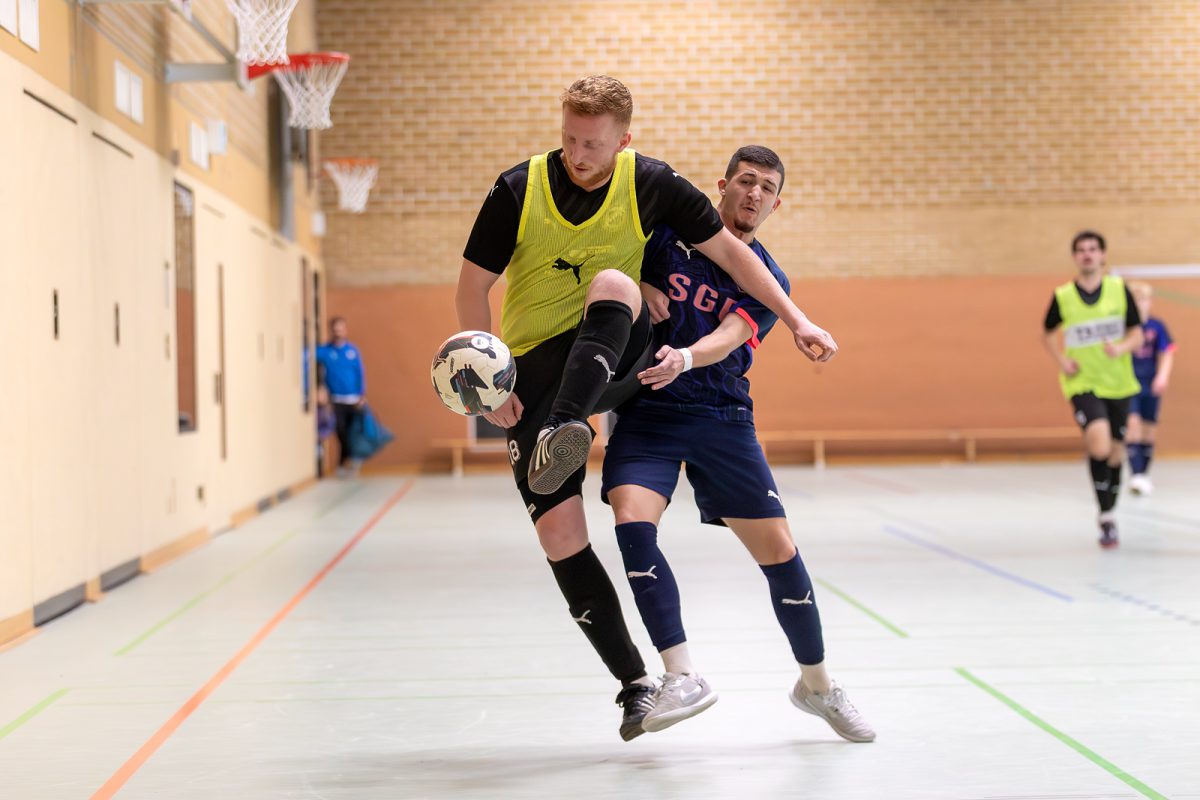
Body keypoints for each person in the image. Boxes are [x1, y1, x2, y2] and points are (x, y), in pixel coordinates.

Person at [455, 76, 838, 741]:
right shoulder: (516, 188)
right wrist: (487, 383)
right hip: (534, 369)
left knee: (614, 281)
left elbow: (736, 257)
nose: (579, 154)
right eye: (570, 139)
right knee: (560, 536)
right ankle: (636, 684)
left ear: (623, 140)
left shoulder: (653, 182)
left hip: (615, 356)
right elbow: (471, 288)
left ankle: (568, 426)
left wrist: (800, 319)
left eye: (593, 144)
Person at [601, 146, 875, 743]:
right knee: (631, 522)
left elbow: (730, 336)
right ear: (721, 186)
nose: (754, 193)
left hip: (719, 414)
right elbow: (610, 269)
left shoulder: (769, 279)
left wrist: (686, 357)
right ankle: (681, 675)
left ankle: (818, 687)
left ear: (777, 203)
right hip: (647, 410)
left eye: (767, 188)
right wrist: (640, 283)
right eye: (746, 181)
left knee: (779, 550)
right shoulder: (665, 236)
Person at [1042, 231, 1143, 548]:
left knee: (1115, 453)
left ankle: (1108, 512)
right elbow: (1047, 333)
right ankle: (1106, 516)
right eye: (1081, 250)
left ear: (1103, 255)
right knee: (1099, 445)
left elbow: (1137, 333)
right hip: (1083, 383)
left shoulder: (1118, 290)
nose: (1087, 254)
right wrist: (1062, 360)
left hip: (1118, 382)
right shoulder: (1063, 296)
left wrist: (1121, 348)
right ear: (1075, 257)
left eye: (1093, 249)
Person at [1125, 281, 1176, 495]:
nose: (1139, 304)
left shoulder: (1157, 326)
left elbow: (1167, 352)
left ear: (1149, 302)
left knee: (1149, 429)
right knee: (1133, 424)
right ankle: (1136, 474)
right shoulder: (1124, 326)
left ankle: (1144, 474)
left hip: (1150, 382)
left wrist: (1162, 376)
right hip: (1129, 383)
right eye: (1135, 300)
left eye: (1143, 299)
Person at [316, 316, 367, 477]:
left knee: (352, 433)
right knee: (341, 433)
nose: (338, 332)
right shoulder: (325, 351)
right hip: (336, 400)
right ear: (331, 331)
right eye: (335, 329)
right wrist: (320, 387)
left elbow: (360, 373)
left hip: (353, 399)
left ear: (345, 330)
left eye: (341, 329)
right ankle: (350, 461)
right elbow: (310, 359)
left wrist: (362, 394)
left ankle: (344, 464)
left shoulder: (352, 351)